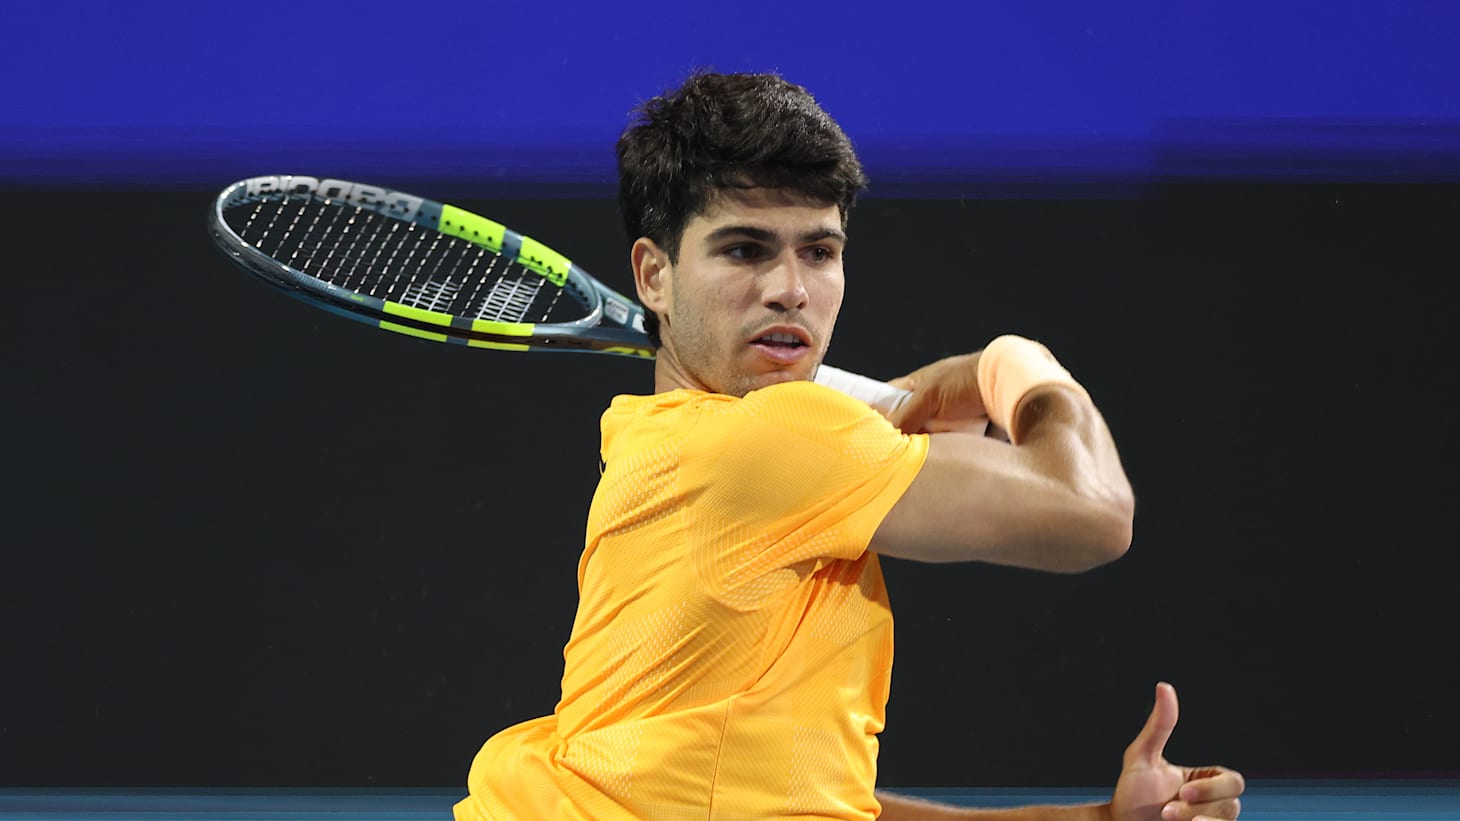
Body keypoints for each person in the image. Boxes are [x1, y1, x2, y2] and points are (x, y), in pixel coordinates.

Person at [453, 73, 1245, 821]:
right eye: (745, 249)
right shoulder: (774, 437)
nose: (790, 289)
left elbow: (794, 800)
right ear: (654, 275)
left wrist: (1099, 817)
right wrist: (1013, 364)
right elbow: (1093, 511)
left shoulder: (658, 441)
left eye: (819, 251)